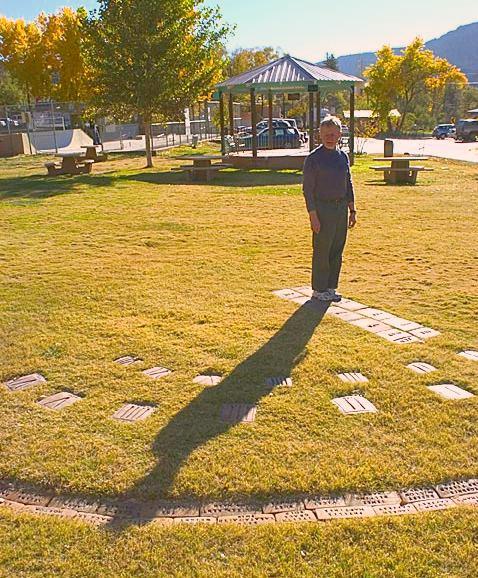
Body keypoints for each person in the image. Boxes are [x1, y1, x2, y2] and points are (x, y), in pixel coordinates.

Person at [302, 116, 357, 302]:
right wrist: (313, 216)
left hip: (340, 208)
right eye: (326, 134)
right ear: (320, 135)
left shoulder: (342, 157)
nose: (329, 137)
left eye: (333, 134)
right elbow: (307, 190)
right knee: (322, 249)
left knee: (336, 249)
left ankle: (331, 287)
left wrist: (352, 209)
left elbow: (348, 183)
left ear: (339, 134)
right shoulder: (313, 159)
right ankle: (319, 289)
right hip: (322, 209)